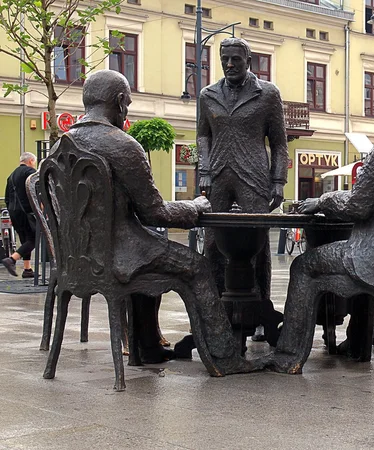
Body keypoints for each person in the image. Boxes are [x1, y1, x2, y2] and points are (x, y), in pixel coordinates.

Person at [58, 69, 263, 374]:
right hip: (121, 256)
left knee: (150, 258)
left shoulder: (61, 146)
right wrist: (194, 207)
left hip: (79, 259)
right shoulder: (122, 145)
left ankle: (148, 349)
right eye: (126, 102)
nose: (126, 109)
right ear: (119, 101)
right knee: (198, 267)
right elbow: (155, 213)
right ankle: (225, 357)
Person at [270, 80, 374, 372]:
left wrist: (323, 201)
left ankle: (288, 355)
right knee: (361, 257)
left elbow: (356, 206)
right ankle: (359, 344)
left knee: (302, 266)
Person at [197, 37, 288, 345]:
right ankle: (214, 312)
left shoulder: (267, 94)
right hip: (219, 175)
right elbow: (202, 137)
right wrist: (205, 170)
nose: (230, 65)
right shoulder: (208, 95)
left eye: (236, 59)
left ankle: (261, 313)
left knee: (258, 246)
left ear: (249, 61)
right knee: (212, 246)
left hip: (254, 175)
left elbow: (279, 143)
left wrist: (278, 181)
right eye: (225, 60)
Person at [2, 152, 37, 278]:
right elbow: (37, 189)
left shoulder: (11, 176)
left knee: (24, 238)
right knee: (34, 238)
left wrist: (11, 212)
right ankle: (11, 259)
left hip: (13, 211)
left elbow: (7, 197)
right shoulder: (30, 172)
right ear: (31, 161)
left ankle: (27, 269)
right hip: (26, 211)